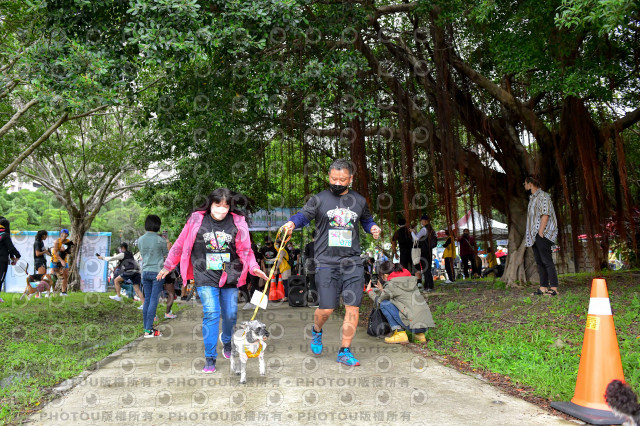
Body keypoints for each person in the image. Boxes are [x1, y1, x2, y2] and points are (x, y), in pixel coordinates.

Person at [157, 188, 269, 374]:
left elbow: (246, 250)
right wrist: (168, 265)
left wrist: (254, 267)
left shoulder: (237, 221)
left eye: (226, 205)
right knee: (211, 313)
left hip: (230, 274)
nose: (222, 209)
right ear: (210, 204)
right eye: (218, 205)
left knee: (231, 314)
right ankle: (210, 358)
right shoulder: (196, 220)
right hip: (204, 275)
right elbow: (180, 244)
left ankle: (226, 340)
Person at [283, 158, 382, 366]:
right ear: (329, 177)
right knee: (327, 309)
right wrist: (292, 223)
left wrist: (373, 228)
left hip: (352, 262)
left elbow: (366, 219)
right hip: (326, 262)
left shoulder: (359, 201)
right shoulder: (319, 199)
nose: (337, 183)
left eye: (342, 179)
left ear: (351, 179)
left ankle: (344, 350)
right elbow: (303, 216)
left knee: (352, 308)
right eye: (334, 178)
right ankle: (317, 330)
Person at [366, 261, 435, 344]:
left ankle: (400, 334)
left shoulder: (392, 284)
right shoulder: (409, 280)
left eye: (381, 275)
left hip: (413, 324)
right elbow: (398, 295)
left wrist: (369, 291)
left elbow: (379, 301)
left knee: (384, 303)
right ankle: (420, 335)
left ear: (386, 274)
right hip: (425, 324)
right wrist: (382, 290)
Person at [524, 175, 559, 296]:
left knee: (547, 260)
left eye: (525, 183)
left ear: (530, 184)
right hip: (534, 234)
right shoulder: (532, 198)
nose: (524, 185)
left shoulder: (543, 196)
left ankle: (554, 288)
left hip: (543, 233)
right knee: (539, 261)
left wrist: (541, 231)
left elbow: (545, 214)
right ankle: (543, 287)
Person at [137, 215, 171, 337]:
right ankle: (149, 330)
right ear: (157, 225)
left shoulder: (140, 240)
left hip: (145, 272)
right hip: (157, 272)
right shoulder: (160, 240)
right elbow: (166, 256)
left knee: (147, 300)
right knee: (153, 300)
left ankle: (146, 328)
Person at [411, 214, 437, 291]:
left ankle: (429, 286)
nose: (421, 222)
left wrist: (412, 232)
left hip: (424, 251)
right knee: (427, 268)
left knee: (425, 269)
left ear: (424, 221)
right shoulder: (431, 229)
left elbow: (416, 238)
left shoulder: (424, 229)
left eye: (421, 221)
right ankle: (427, 285)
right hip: (429, 250)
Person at [0, 217, 21, 302]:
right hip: (2, 260)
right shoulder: (5, 235)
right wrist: (17, 256)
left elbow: (6, 247)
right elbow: (11, 247)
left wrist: (12, 256)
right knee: (0, 277)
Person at [50, 229, 72, 295]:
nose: (64, 235)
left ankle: (63, 292)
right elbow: (55, 252)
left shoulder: (68, 242)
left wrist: (65, 250)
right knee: (53, 276)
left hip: (64, 260)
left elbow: (70, 251)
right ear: (61, 234)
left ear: (67, 235)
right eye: (63, 233)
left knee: (65, 275)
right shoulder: (57, 241)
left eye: (66, 234)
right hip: (55, 260)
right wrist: (61, 260)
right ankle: (53, 291)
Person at [304, 230, 319, 307]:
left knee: (312, 284)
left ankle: (316, 301)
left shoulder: (308, 245)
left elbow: (306, 257)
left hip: (311, 267)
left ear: (312, 236)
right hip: (322, 267)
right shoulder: (322, 245)